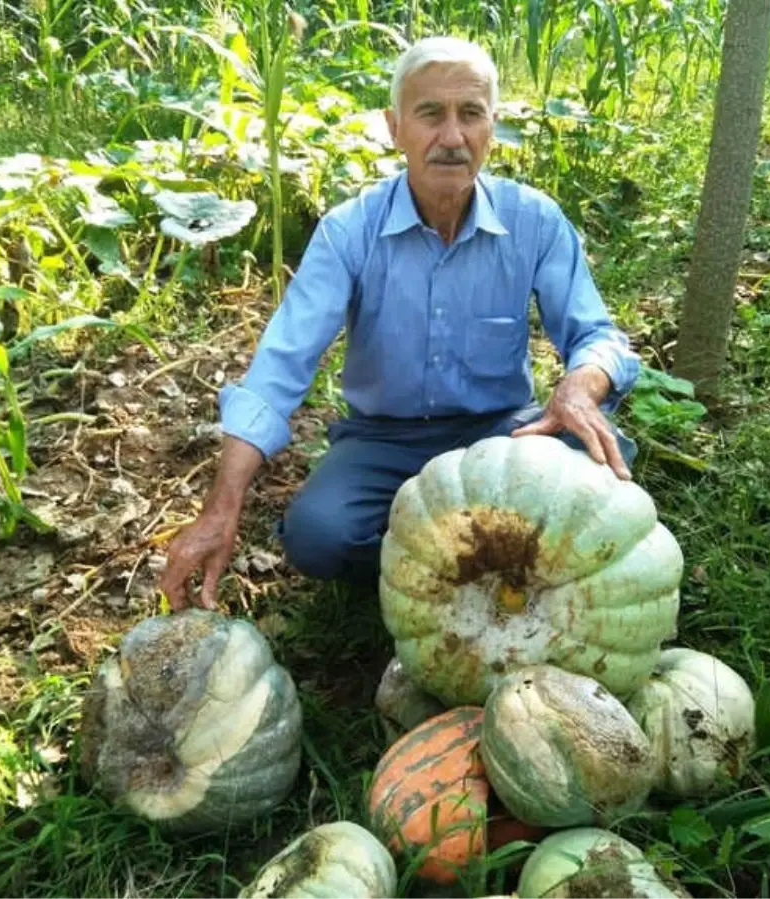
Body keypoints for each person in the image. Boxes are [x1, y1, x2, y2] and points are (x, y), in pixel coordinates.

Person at [160, 36, 641, 611]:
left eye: (471, 115)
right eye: (430, 115)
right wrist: (222, 506)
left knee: (602, 464)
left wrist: (579, 388)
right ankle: (462, 567)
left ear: (493, 126)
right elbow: (279, 369)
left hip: (501, 432)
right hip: (383, 439)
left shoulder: (534, 221)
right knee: (319, 536)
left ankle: (466, 561)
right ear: (395, 128)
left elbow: (597, 336)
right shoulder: (350, 231)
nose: (452, 138)